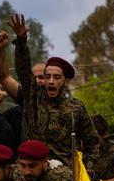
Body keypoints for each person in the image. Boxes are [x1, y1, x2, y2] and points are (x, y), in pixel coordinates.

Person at [6, 13, 98, 165]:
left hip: (64, 176)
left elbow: (92, 144)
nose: (50, 81)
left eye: (56, 77)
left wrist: (84, 172)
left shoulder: (77, 109)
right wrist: (21, 40)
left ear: (66, 81)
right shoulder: (34, 98)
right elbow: (23, 70)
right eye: (47, 76)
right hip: (33, 170)